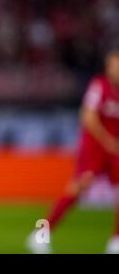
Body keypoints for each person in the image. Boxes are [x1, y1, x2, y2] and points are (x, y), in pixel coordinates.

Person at [27, 50, 119, 254]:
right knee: (77, 189)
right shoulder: (99, 86)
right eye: (113, 65)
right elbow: (88, 117)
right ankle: (40, 234)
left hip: (115, 150)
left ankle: (116, 241)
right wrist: (108, 141)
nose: (116, 70)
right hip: (95, 148)